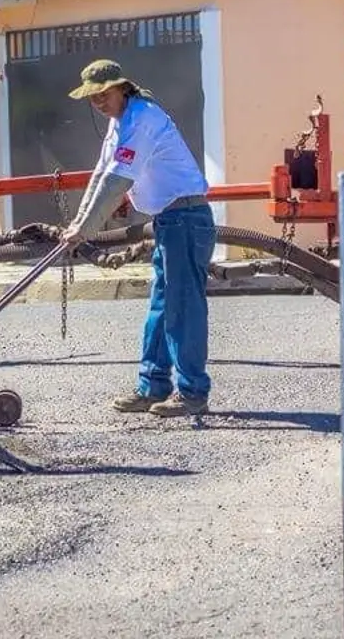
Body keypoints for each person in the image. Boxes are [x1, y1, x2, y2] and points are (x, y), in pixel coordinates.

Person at [61, 59, 217, 419]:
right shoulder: (120, 124)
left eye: (104, 94)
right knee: (162, 307)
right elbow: (102, 174)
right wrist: (79, 223)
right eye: (93, 97)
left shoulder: (142, 119)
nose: (98, 102)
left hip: (186, 218)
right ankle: (153, 386)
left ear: (122, 89)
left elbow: (118, 181)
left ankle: (193, 391)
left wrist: (85, 230)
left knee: (182, 309)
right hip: (169, 219)